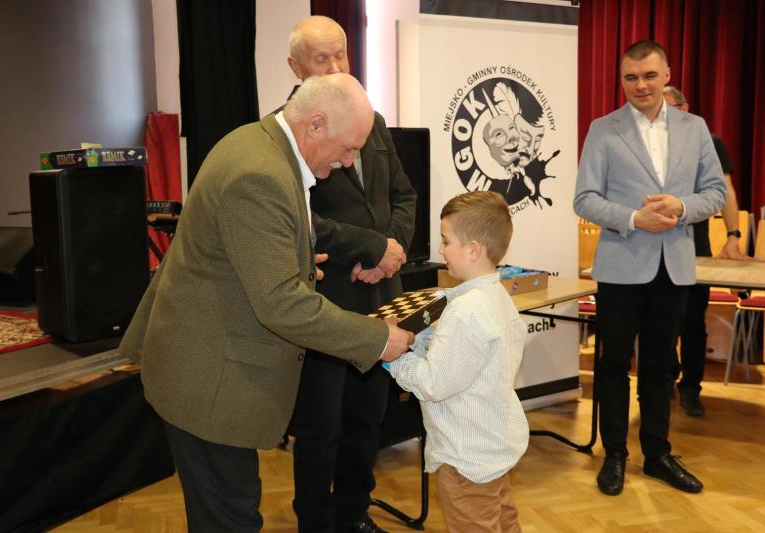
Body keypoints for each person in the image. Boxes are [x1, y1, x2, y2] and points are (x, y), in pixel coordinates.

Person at [117, 73, 415, 532]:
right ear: (316, 124)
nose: (348, 162)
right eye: (348, 148)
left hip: (208, 366)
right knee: (231, 520)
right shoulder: (262, 175)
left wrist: (297, 260)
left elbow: (240, 253)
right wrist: (377, 339)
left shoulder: (258, 142)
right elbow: (281, 304)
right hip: (209, 384)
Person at [574, 40, 726, 496]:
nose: (640, 85)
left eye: (649, 75)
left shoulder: (695, 128)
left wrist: (681, 205)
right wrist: (632, 218)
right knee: (613, 364)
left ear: (667, 76)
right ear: (622, 80)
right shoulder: (603, 129)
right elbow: (584, 199)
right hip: (620, 267)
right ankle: (615, 455)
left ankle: (658, 454)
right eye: (631, 77)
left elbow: (715, 193)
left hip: (673, 267)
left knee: (661, 366)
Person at [284, 16, 417, 533]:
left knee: (368, 418)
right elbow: (299, 220)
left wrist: (391, 251)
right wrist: (370, 247)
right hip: (326, 300)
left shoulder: (371, 120)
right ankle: (315, 522)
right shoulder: (289, 132)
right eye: (321, 59)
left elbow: (403, 195)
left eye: (340, 54)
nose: (335, 66)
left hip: (382, 294)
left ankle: (354, 512)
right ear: (295, 68)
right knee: (321, 425)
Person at [386, 191, 529, 533]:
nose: (440, 249)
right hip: (491, 448)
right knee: (504, 521)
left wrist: (395, 359)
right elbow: (462, 358)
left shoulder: (465, 311)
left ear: (474, 250)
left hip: (466, 460)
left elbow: (434, 384)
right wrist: (420, 342)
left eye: (446, 240)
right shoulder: (496, 297)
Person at [663, 85, 749, 416]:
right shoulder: (649, 145)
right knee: (661, 322)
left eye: (669, 108)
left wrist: (733, 236)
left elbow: (726, 191)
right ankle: (666, 379)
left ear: (685, 108)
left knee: (692, 323)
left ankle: (691, 388)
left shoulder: (708, 142)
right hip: (653, 248)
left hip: (694, 248)